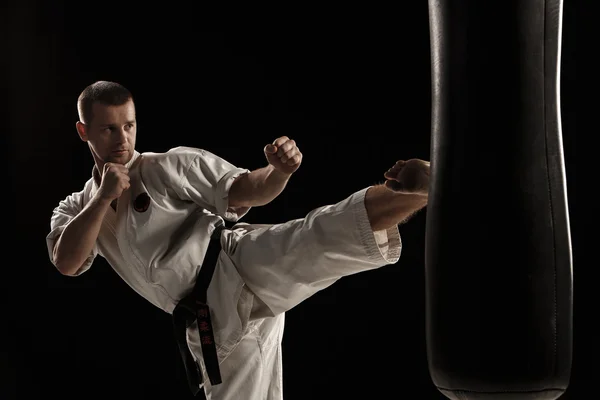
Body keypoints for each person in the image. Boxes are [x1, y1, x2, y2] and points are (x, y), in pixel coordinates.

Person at [46, 80, 430, 399]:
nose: (122, 138)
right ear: (84, 131)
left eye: (128, 126)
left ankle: (421, 190)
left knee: (321, 233)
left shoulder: (164, 167)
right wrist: (102, 197)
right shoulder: (76, 208)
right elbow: (67, 261)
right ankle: (421, 191)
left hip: (236, 262)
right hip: (208, 320)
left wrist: (278, 172)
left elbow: (245, 189)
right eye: (108, 129)